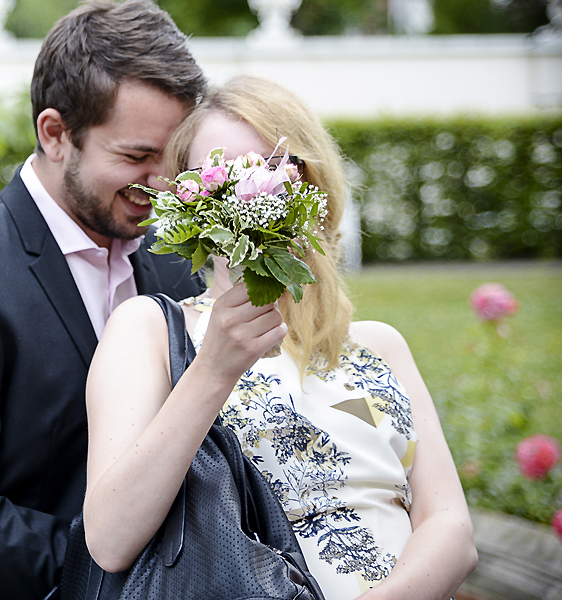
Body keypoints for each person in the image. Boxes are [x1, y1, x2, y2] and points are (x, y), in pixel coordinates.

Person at [83, 75, 478, 599]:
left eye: (278, 169)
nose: (253, 194)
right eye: (223, 179)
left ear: (314, 185)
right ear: (187, 203)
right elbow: (110, 540)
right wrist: (214, 369)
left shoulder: (379, 345)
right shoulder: (151, 330)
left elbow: (450, 527)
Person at [0, 2, 206, 599]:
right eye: (136, 157)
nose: (163, 184)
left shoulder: (180, 263)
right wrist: (124, 576)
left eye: (173, 157)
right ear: (55, 134)